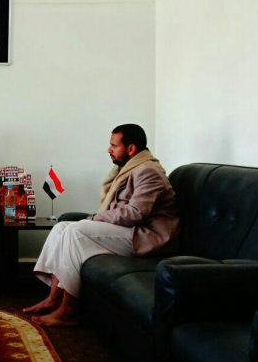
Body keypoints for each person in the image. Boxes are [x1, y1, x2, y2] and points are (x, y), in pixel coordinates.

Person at [23, 124, 179, 327]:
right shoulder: (127, 169)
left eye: (114, 145)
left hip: (146, 236)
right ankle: (53, 298)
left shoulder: (148, 171)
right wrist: (94, 218)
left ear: (131, 149)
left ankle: (68, 310)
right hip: (128, 229)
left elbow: (135, 213)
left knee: (75, 231)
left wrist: (95, 218)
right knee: (61, 227)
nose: (109, 150)